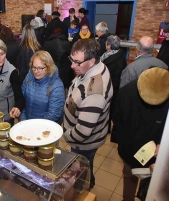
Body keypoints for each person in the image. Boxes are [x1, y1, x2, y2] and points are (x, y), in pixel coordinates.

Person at [112, 67, 169, 201]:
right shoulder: (127, 92)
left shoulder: (125, 91)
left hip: (132, 150)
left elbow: (117, 119)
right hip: (152, 153)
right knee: (145, 179)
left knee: (130, 178)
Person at [63, 38, 113, 189]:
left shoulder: (94, 93)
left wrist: (66, 135)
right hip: (88, 137)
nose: (72, 65)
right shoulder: (96, 66)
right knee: (86, 167)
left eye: (77, 62)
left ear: (92, 61)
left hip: (84, 143)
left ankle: (84, 190)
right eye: (72, 59)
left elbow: (84, 131)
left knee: (81, 171)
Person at [20, 50, 65, 124]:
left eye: (40, 68)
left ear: (48, 67)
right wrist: (24, 121)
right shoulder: (29, 77)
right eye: (34, 67)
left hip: (45, 128)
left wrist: (34, 126)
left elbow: (53, 114)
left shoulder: (56, 85)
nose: (36, 71)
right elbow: (22, 101)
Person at [101, 35, 126, 134]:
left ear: (109, 46)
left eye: (106, 42)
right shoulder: (121, 55)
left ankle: (105, 128)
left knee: (107, 108)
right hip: (116, 86)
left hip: (109, 86)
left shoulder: (108, 58)